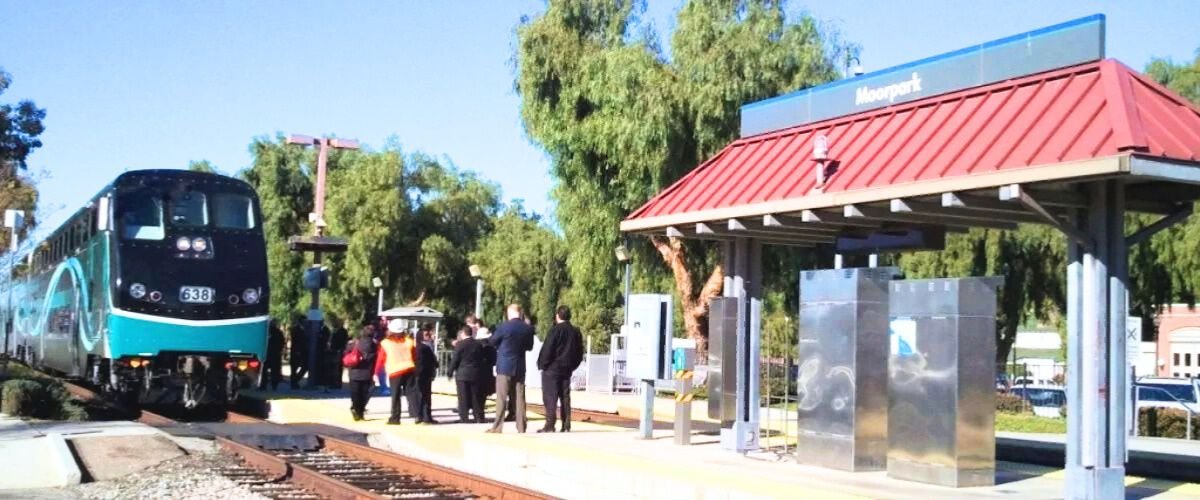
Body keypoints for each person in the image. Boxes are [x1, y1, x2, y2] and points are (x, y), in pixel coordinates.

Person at [486, 304, 534, 433]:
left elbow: (492, 341)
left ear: (509, 313)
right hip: (519, 366)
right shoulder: (527, 329)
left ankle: (497, 427)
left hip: (504, 366)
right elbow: (529, 347)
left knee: (501, 397)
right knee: (520, 397)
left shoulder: (504, 327)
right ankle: (521, 426)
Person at [536, 305, 585, 433]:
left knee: (550, 396)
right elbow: (580, 352)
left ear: (558, 315)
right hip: (567, 368)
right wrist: (573, 365)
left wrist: (542, 364)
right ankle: (566, 424)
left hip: (552, 368)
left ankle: (550, 425)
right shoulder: (575, 331)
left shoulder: (555, 330)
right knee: (565, 396)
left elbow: (548, 348)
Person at [375, 319, 418, 425]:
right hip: (409, 369)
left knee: (396, 395)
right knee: (411, 393)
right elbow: (414, 355)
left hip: (395, 371)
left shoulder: (385, 343)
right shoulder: (409, 341)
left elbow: (381, 358)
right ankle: (416, 415)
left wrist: (376, 372)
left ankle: (395, 418)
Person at [448, 326, 486, 423]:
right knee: (475, 396)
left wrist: (450, 372)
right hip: (476, 374)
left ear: (463, 334)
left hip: (462, 374)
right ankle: (478, 417)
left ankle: (464, 418)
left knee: (463, 397)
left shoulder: (460, 344)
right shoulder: (478, 344)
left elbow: (455, 359)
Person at [346, 323, 379, 421]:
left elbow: (347, 353)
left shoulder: (355, 343)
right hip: (367, 372)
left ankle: (356, 410)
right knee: (364, 393)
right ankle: (360, 412)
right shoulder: (374, 345)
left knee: (355, 393)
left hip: (354, 371)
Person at [415, 326, 439, 424]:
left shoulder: (415, 348)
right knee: (426, 396)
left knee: (418, 395)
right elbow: (434, 361)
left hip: (416, 374)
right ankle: (426, 417)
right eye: (426, 335)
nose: (428, 336)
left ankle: (418, 416)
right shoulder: (425, 348)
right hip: (425, 374)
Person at [260, 320, 285, 391]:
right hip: (275, 354)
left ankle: (263, 385)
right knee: (275, 370)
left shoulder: (265, 331)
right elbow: (282, 342)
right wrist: (279, 350)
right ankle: (274, 385)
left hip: (266, 353)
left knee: (264, 370)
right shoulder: (279, 332)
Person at [288, 319, 309, 390]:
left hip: (302, 352)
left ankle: (295, 381)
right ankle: (294, 383)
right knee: (294, 368)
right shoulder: (295, 329)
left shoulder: (304, 329)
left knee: (304, 367)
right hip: (296, 352)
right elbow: (296, 341)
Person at [329, 321, 350, 389]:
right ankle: (334, 383)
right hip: (334, 350)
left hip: (339, 350)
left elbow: (343, 341)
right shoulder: (335, 330)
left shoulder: (342, 331)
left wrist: (342, 349)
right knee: (334, 368)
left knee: (337, 368)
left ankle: (337, 383)